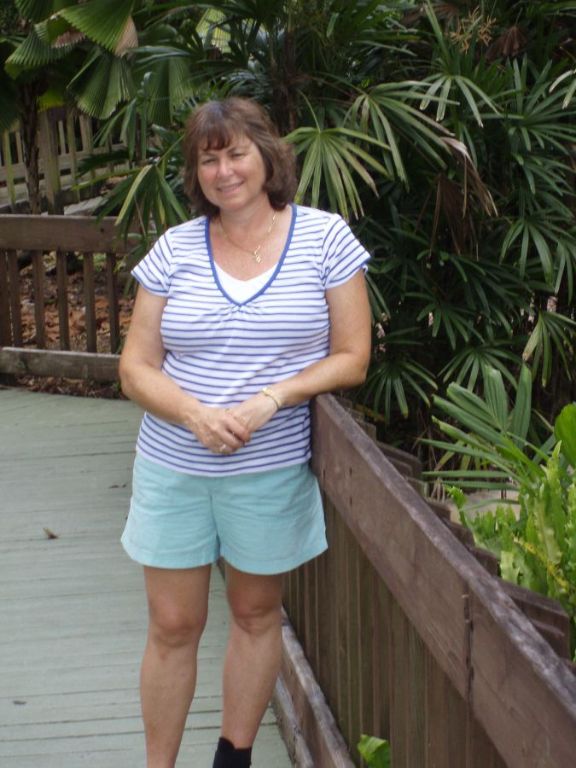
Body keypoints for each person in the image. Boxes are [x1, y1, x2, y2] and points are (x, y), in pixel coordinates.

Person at [119, 96, 371, 768]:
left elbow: (353, 356)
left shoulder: (325, 239)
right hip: (174, 465)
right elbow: (135, 367)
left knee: (257, 615)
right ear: (195, 173)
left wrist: (272, 398)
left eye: (236, 154)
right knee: (173, 624)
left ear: (267, 156)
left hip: (269, 468)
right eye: (209, 160)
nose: (224, 171)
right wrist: (195, 414)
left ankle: (232, 758)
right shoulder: (175, 248)